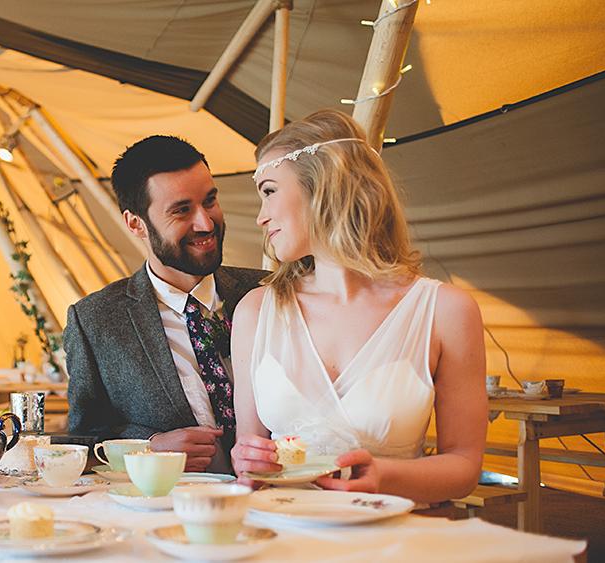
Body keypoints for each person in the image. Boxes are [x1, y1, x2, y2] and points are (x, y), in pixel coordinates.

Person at [230, 110, 486, 503]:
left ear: (322, 185)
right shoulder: (256, 312)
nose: (261, 217)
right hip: (280, 536)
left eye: (268, 191)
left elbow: (465, 466)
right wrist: (247, 459)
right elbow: (248, 452)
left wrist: (384, 475)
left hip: (391, 543)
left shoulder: (444, 311)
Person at [65, 135, 265, 474]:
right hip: (168, 514)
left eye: (210, 201)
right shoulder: (95, 321)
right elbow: (81, 444)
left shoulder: (267, 290)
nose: (205, 223)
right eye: (182, 210)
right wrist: (147, 449)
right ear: (135, 224)